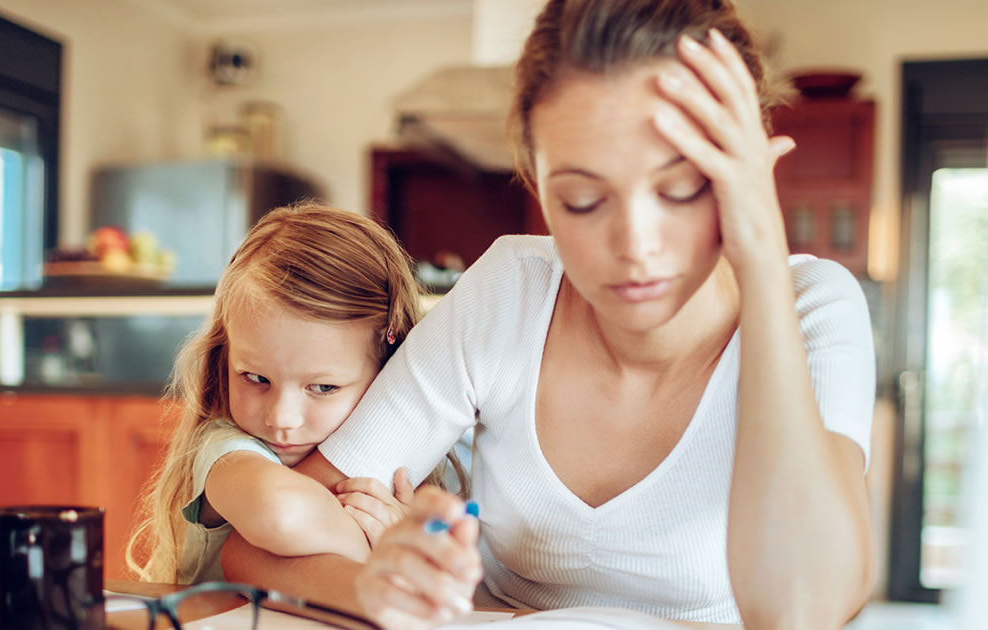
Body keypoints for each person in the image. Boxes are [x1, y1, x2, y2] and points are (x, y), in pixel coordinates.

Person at [222, 1, 877, 628]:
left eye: (682, 187)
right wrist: (378, 584)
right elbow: (254, 548)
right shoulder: (508, 292)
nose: (635, 246)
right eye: (584, 200)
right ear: (536, 184)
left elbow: (802, 612)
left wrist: (760, 254)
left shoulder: (812, 308)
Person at [125, 203, 464, 584]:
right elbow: (279, 511)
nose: (281, 418)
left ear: (387, 369)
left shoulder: (406, 461)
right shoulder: (227, 449)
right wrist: (392, 547)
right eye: (255, 378)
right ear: (226, 356)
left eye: (322, 387)